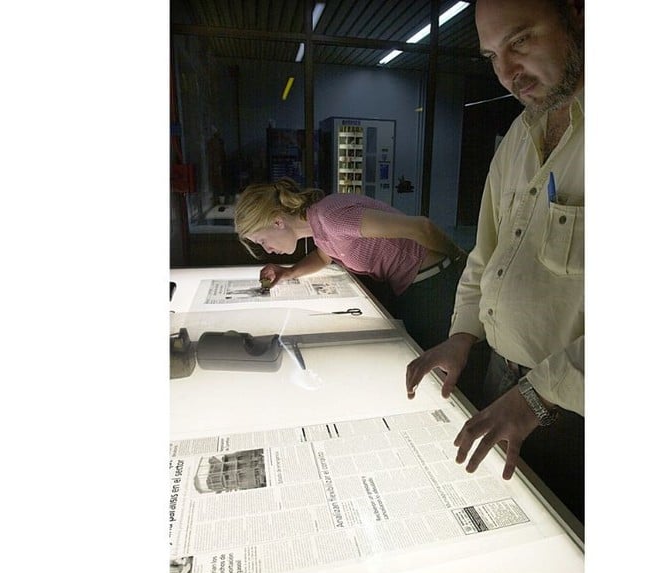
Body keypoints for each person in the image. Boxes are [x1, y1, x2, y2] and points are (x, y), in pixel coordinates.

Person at [405, 0, 585, 519]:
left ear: (578, 16)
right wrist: (463, 335)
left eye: (520, 40)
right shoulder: (520, 136)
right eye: (491, 56)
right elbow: (486, 255)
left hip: (572, 410)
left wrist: (538, 396)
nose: (506, 73)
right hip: (499, 380)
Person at [234, 177, 466, 350]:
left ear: (277, 222)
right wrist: (289, 272)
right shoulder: (319, 226)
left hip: (432, 284)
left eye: (262, 241)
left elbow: (421, 228)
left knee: (434, 366)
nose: (268, 250)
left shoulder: (331, 218)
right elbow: (323, 256)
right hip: (412, 286)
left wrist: (460, 257)